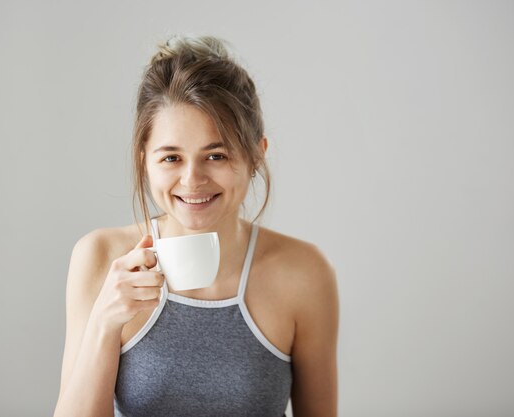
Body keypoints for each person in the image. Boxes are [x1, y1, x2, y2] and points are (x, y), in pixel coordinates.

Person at [53, 35, 339, 417]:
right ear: (144, 162)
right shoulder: (100, 257)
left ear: (256, 156)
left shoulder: (305, 272)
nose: (192, 179)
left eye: (216, 155)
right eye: (171, 157)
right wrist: (105, 322)